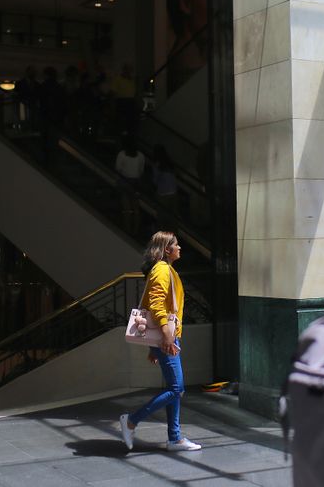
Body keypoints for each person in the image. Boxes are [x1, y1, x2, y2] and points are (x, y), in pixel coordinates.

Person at [119, 231, 201, 451]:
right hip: (168, 336)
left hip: (168, 336)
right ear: (167, 249)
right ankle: (130, 421)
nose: (180, 248)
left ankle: (174, 438)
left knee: (174, 387)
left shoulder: (165, 269)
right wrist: (165, 336)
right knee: (177, 389)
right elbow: (156, 305)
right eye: (176, 245)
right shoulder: (163, 270)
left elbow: (158, 304)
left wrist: (155, 346)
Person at [115, 136, 146, 234]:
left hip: (124, 181)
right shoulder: (140, 155)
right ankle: (135, 230)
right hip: (136, 182)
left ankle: (127, 229)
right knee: (136, 208)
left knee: (126, 208)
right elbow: (141, 170)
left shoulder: (122, 154)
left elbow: (118, 168)